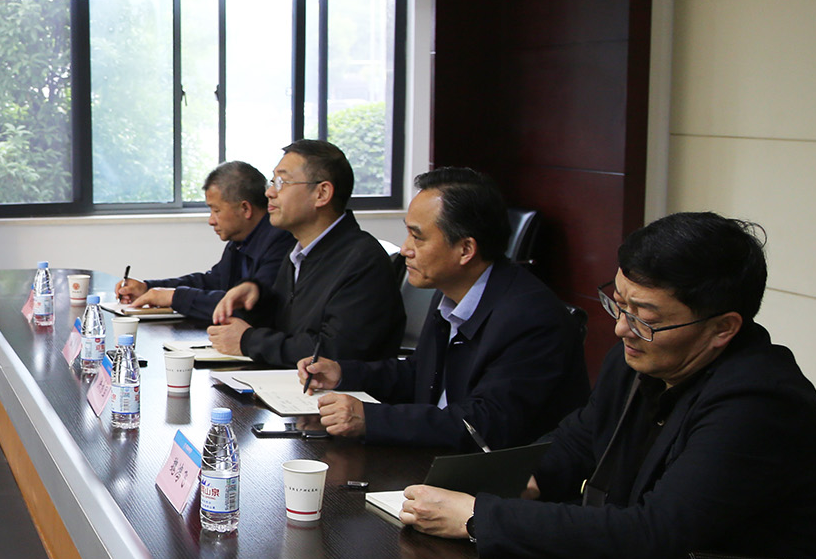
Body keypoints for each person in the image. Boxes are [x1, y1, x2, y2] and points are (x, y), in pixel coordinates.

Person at [399, 213, 816, 559]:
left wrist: (478, 517)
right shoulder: (640, 359)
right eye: (619, 304)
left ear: (723, 328)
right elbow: (577, 441)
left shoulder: (759, 403)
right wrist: (524, 481)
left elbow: (654, 534)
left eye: (645, 317)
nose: (621, 328)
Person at [296, 168, 588, 448]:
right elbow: (423, 374)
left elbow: (484, 425)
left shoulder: (530, 318)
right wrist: (343, 374)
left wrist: (371, 419)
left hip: (494, 473)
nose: (405, 249)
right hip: (438, 453)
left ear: (465, 250)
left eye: (418, 237)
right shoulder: (451, 292)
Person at [208, 139, 404, 365]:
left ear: (322, 193)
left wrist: (248, 341)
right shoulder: (298, 253)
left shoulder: (362, 260)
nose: (269, 192)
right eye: (272, 182)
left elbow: (333, 354)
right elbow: (289, 327)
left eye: (282, 182)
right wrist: (256, 296)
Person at [114, 160, 290, 318]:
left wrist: (175, 297)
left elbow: (248, 306)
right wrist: (148, 288)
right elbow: (212, 283)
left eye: (216, 210)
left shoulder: (281, 240)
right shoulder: (239, 241)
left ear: (245, 209)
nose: (211, 220)